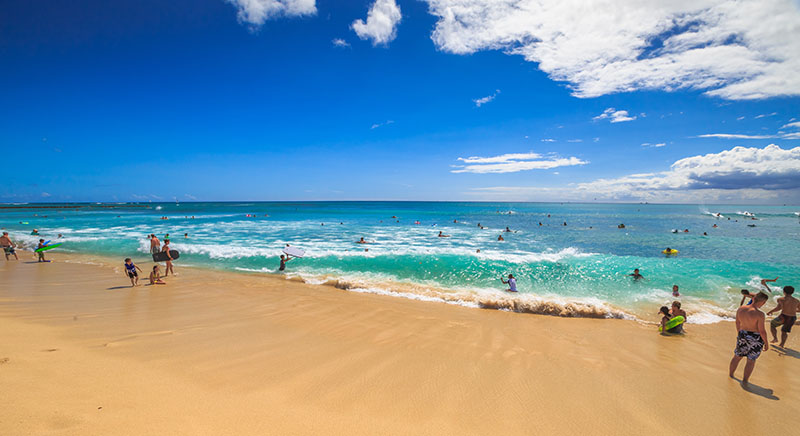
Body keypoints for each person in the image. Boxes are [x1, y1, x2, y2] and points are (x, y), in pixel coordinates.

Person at [729, 292, 769, 385]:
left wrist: (739, 334)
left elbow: (737, 323)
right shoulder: (759, 314)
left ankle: (731, 375)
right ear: (763, 302)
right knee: (751, 360)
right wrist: (766, 343)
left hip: (742, 334)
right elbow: (762, 331)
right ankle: (745, 380)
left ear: (753, 299)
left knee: (737, 357)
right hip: (755, 338)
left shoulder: (741, 309)